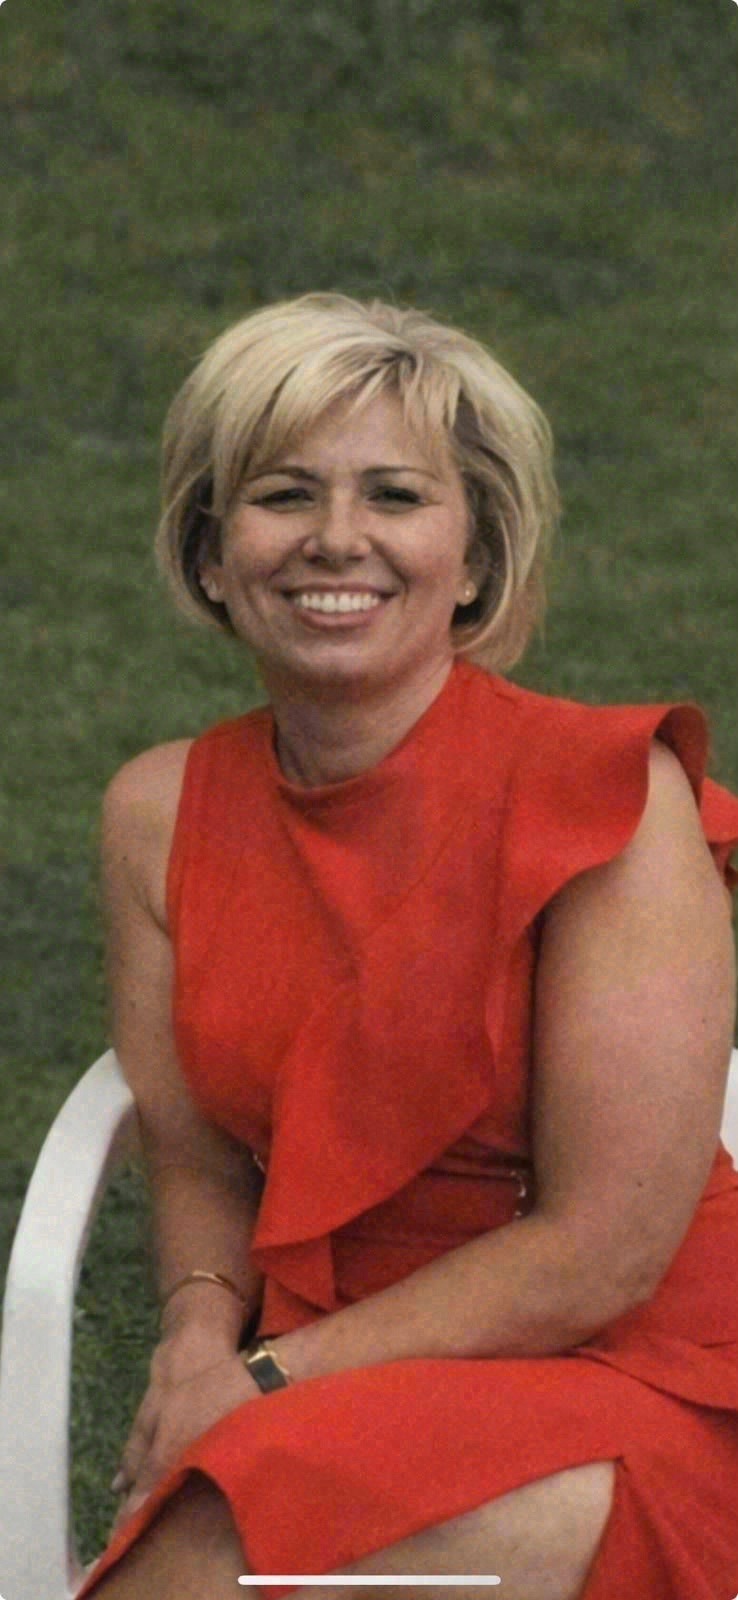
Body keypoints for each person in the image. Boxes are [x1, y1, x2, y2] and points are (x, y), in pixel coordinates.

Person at [77, 293, 738, 1600]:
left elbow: (601, 1252)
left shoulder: (608, 798)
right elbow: (194, 1152)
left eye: (393, 495)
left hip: (630, 1373)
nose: (337, 538)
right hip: (326, 1375)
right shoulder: (155, 812)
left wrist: (265, 1378)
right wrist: (197, 1338)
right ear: (210, 555)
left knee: (216, 1551)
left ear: (474, 560)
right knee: (230, 1520)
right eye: (283, 495)